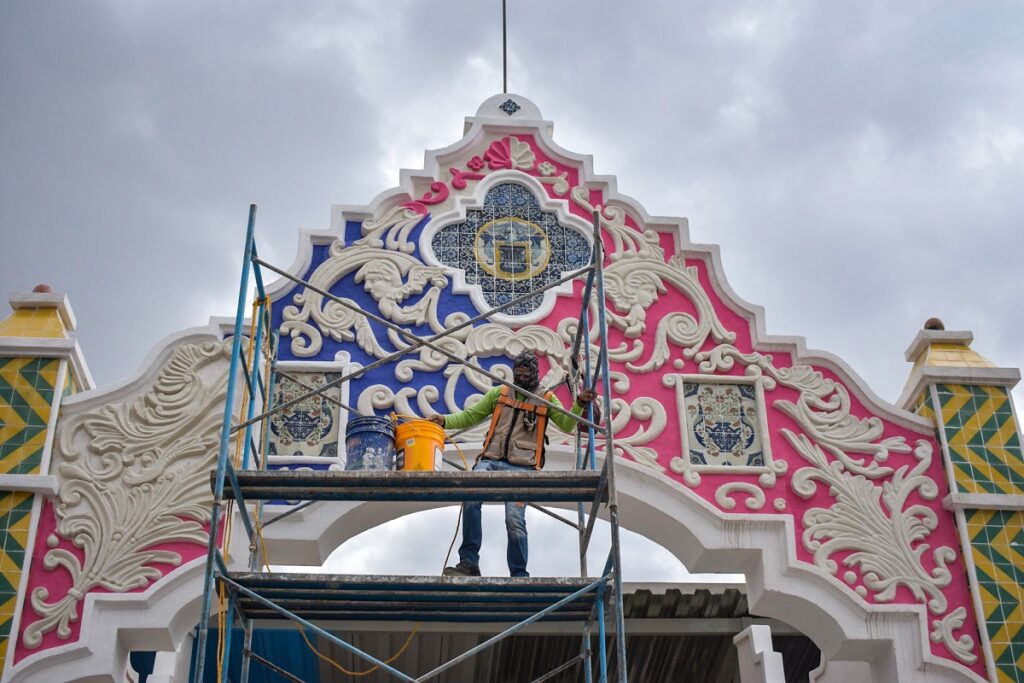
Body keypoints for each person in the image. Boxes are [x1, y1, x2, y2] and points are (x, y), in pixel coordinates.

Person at [428, 351, 595, 578]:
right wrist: (445, 421)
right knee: (470, 496)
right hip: (491, 460)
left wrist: (579, 404)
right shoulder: (500, 393)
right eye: (518, 374)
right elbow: (471, 415)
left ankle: (519, 573)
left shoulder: (546, 398)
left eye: (526, 375)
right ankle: (469, 562)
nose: (521, 378)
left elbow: (566, 424)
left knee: (514, 519)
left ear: (535, 374)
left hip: (523, 466)